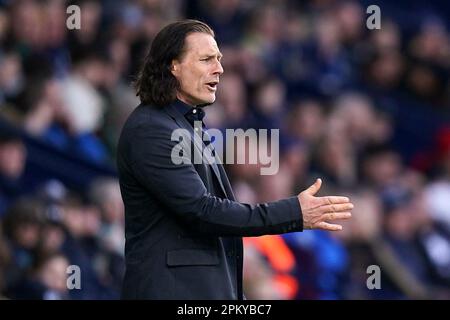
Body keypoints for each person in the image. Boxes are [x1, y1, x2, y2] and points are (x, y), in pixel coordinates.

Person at [117, 19, 353, 300]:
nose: (219, 69)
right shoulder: (153, 129)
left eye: (218, 59)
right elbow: (203, 212)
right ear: (173, 66)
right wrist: (294, 213)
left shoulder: (188, 125)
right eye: (206, 60)